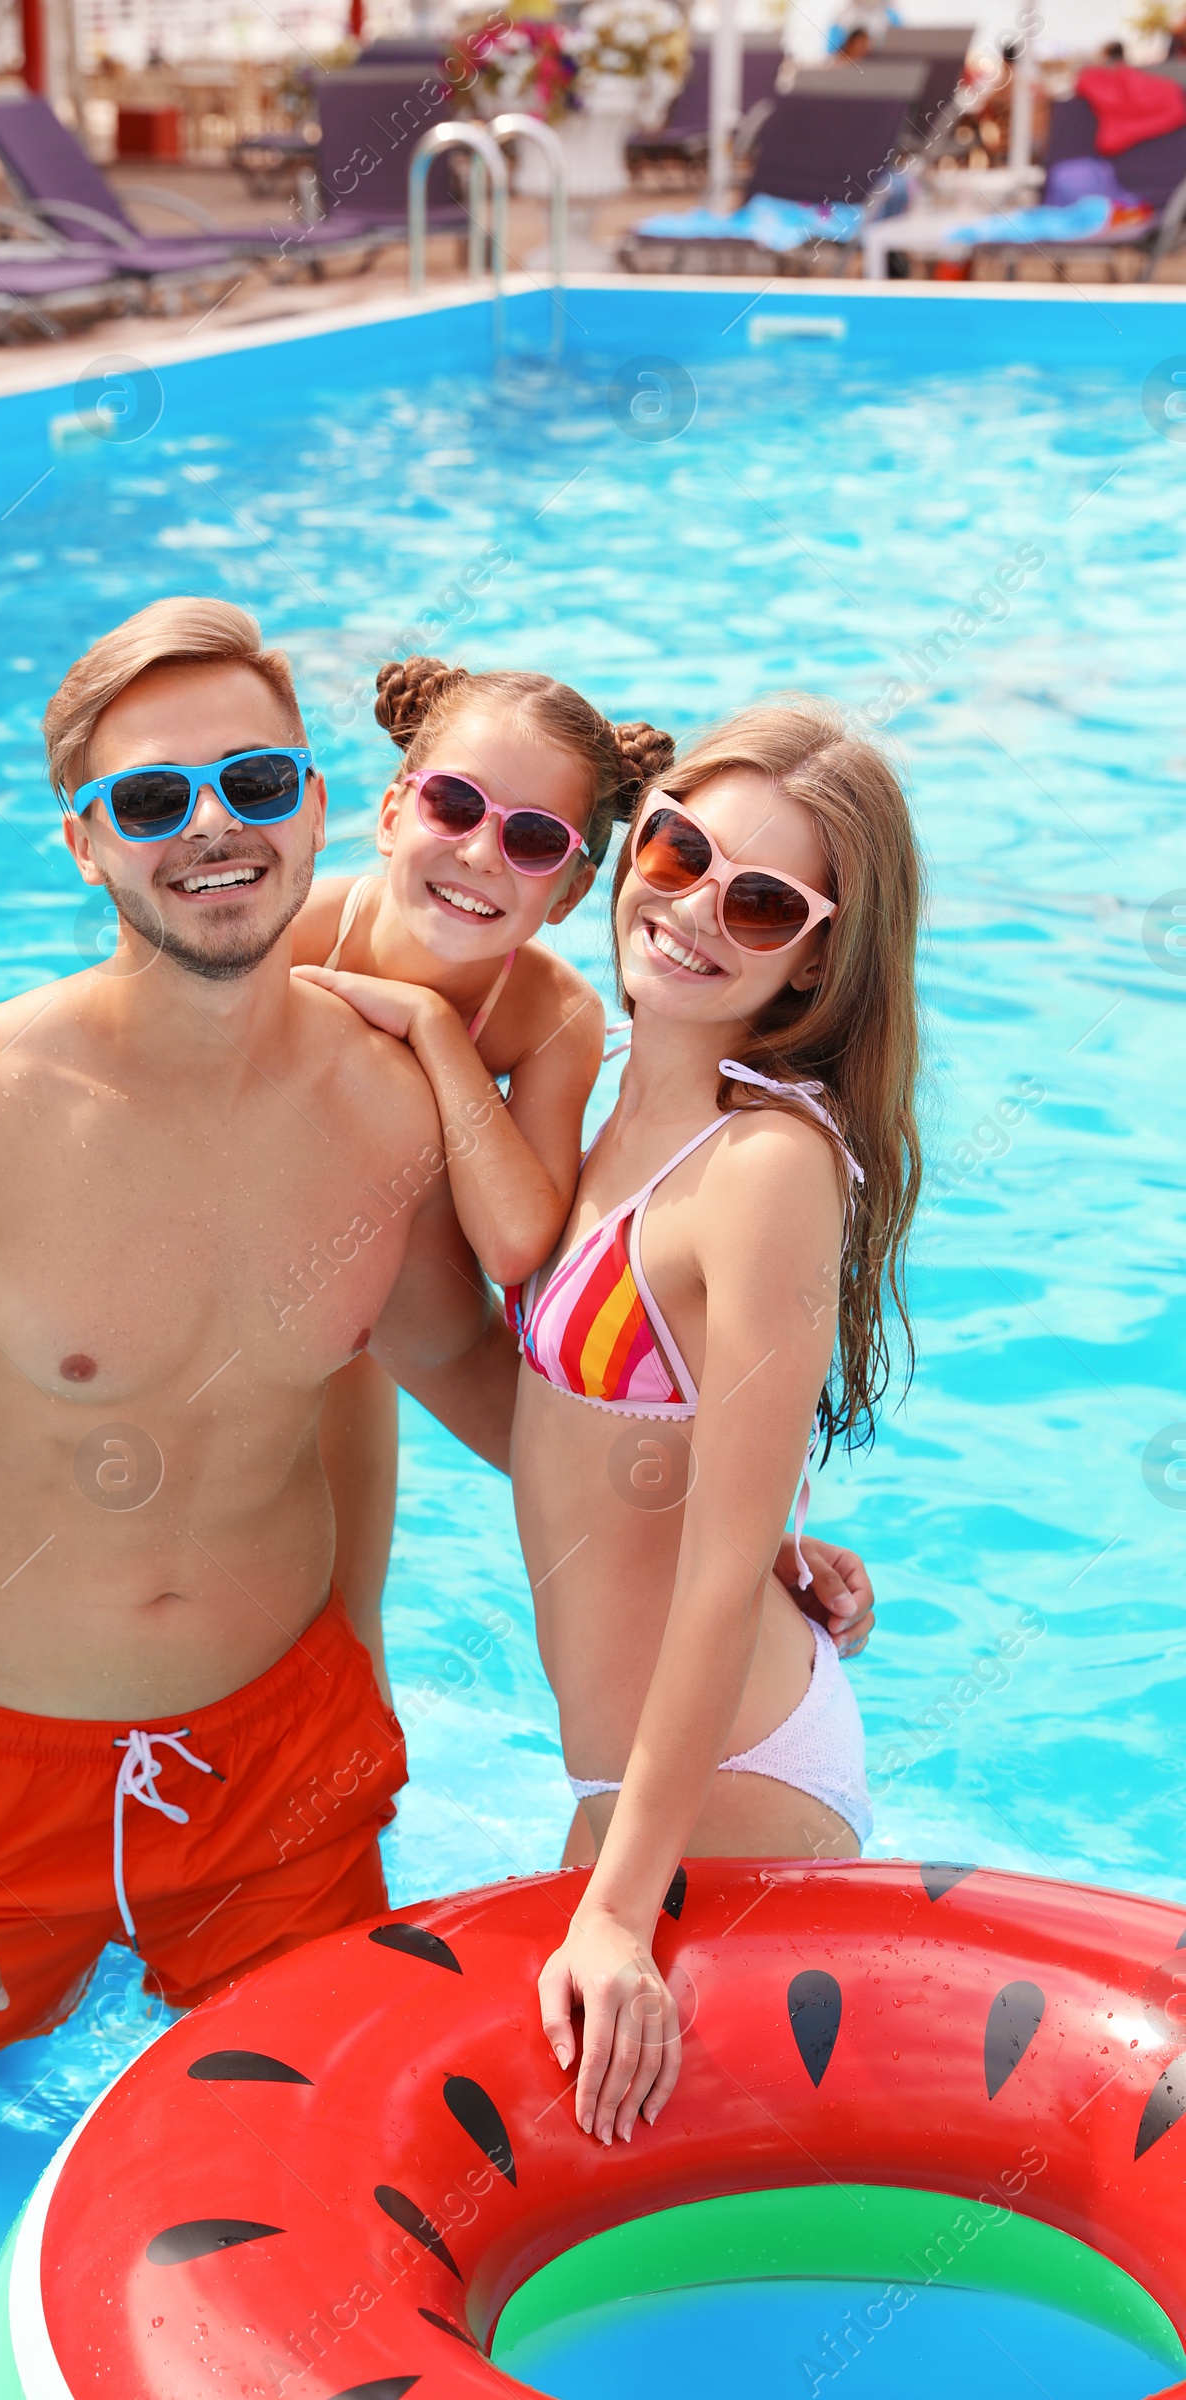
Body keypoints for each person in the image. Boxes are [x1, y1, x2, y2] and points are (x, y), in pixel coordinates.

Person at [0, 597, 517, 2170]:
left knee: (329, 2162)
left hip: (283, 1771)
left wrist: (741, 1516)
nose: (213, 830)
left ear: (316, 804)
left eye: (254, 781)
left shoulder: (386, 1101)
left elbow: (425, 1366)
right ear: (85, 847)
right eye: (152, 800)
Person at [0, 657, 876, 1686]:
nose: (482, 853)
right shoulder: (285, 932)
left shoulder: (548, 1016)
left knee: (452, 1587)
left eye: (531, 840)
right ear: (393, 810)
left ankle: (751, 1571)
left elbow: (521, 1248)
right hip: (282, 1289)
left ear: (573, 888)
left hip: (421, 1321)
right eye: (454, 805)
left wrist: (434, 1034)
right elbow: (109, 1023)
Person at [501, 702, 920, 2143]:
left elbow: (718, 1557)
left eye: (756, 902)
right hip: (636, 1768)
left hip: (724, 1779)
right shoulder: (602, 1100)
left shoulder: (765, 1168)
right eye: (676, 849)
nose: (688, 911)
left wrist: (620, 1907)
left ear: (816, 954)